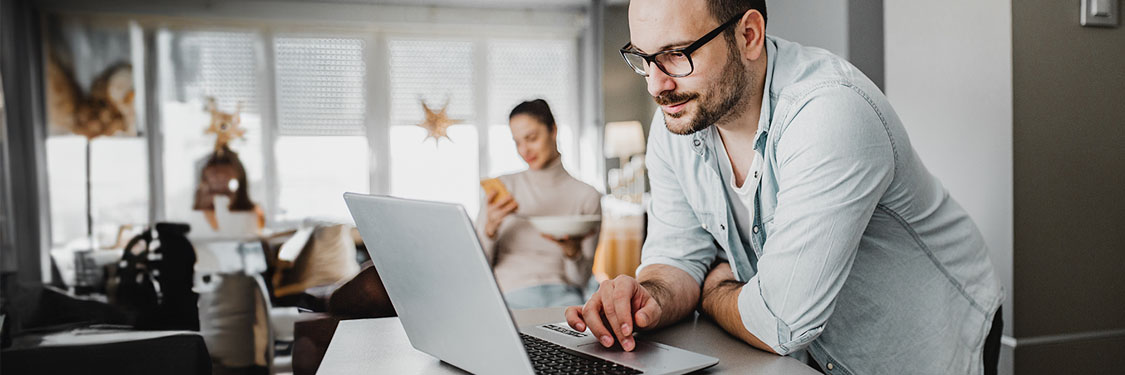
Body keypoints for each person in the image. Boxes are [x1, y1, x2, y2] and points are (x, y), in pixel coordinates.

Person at [564, 1, 1004, 374]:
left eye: (677, 54)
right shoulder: (678, 125)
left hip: (925, 344)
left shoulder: (830, 114)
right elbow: (678, 257)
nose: (657, 85)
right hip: (809, 356)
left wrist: (716, 289)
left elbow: (781, 323)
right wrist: (649, 297)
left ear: (749, 35)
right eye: (643, 57)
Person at [476, 99, 601, 310]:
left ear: (553, 130)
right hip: (507, 298)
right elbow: (478, 271)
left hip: (564, 299)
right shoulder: (502, 189)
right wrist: (489, 230)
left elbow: (580, 280)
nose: (524, 150)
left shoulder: (587, 196)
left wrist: (573, 253)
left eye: (531, 138)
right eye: (517, 142)